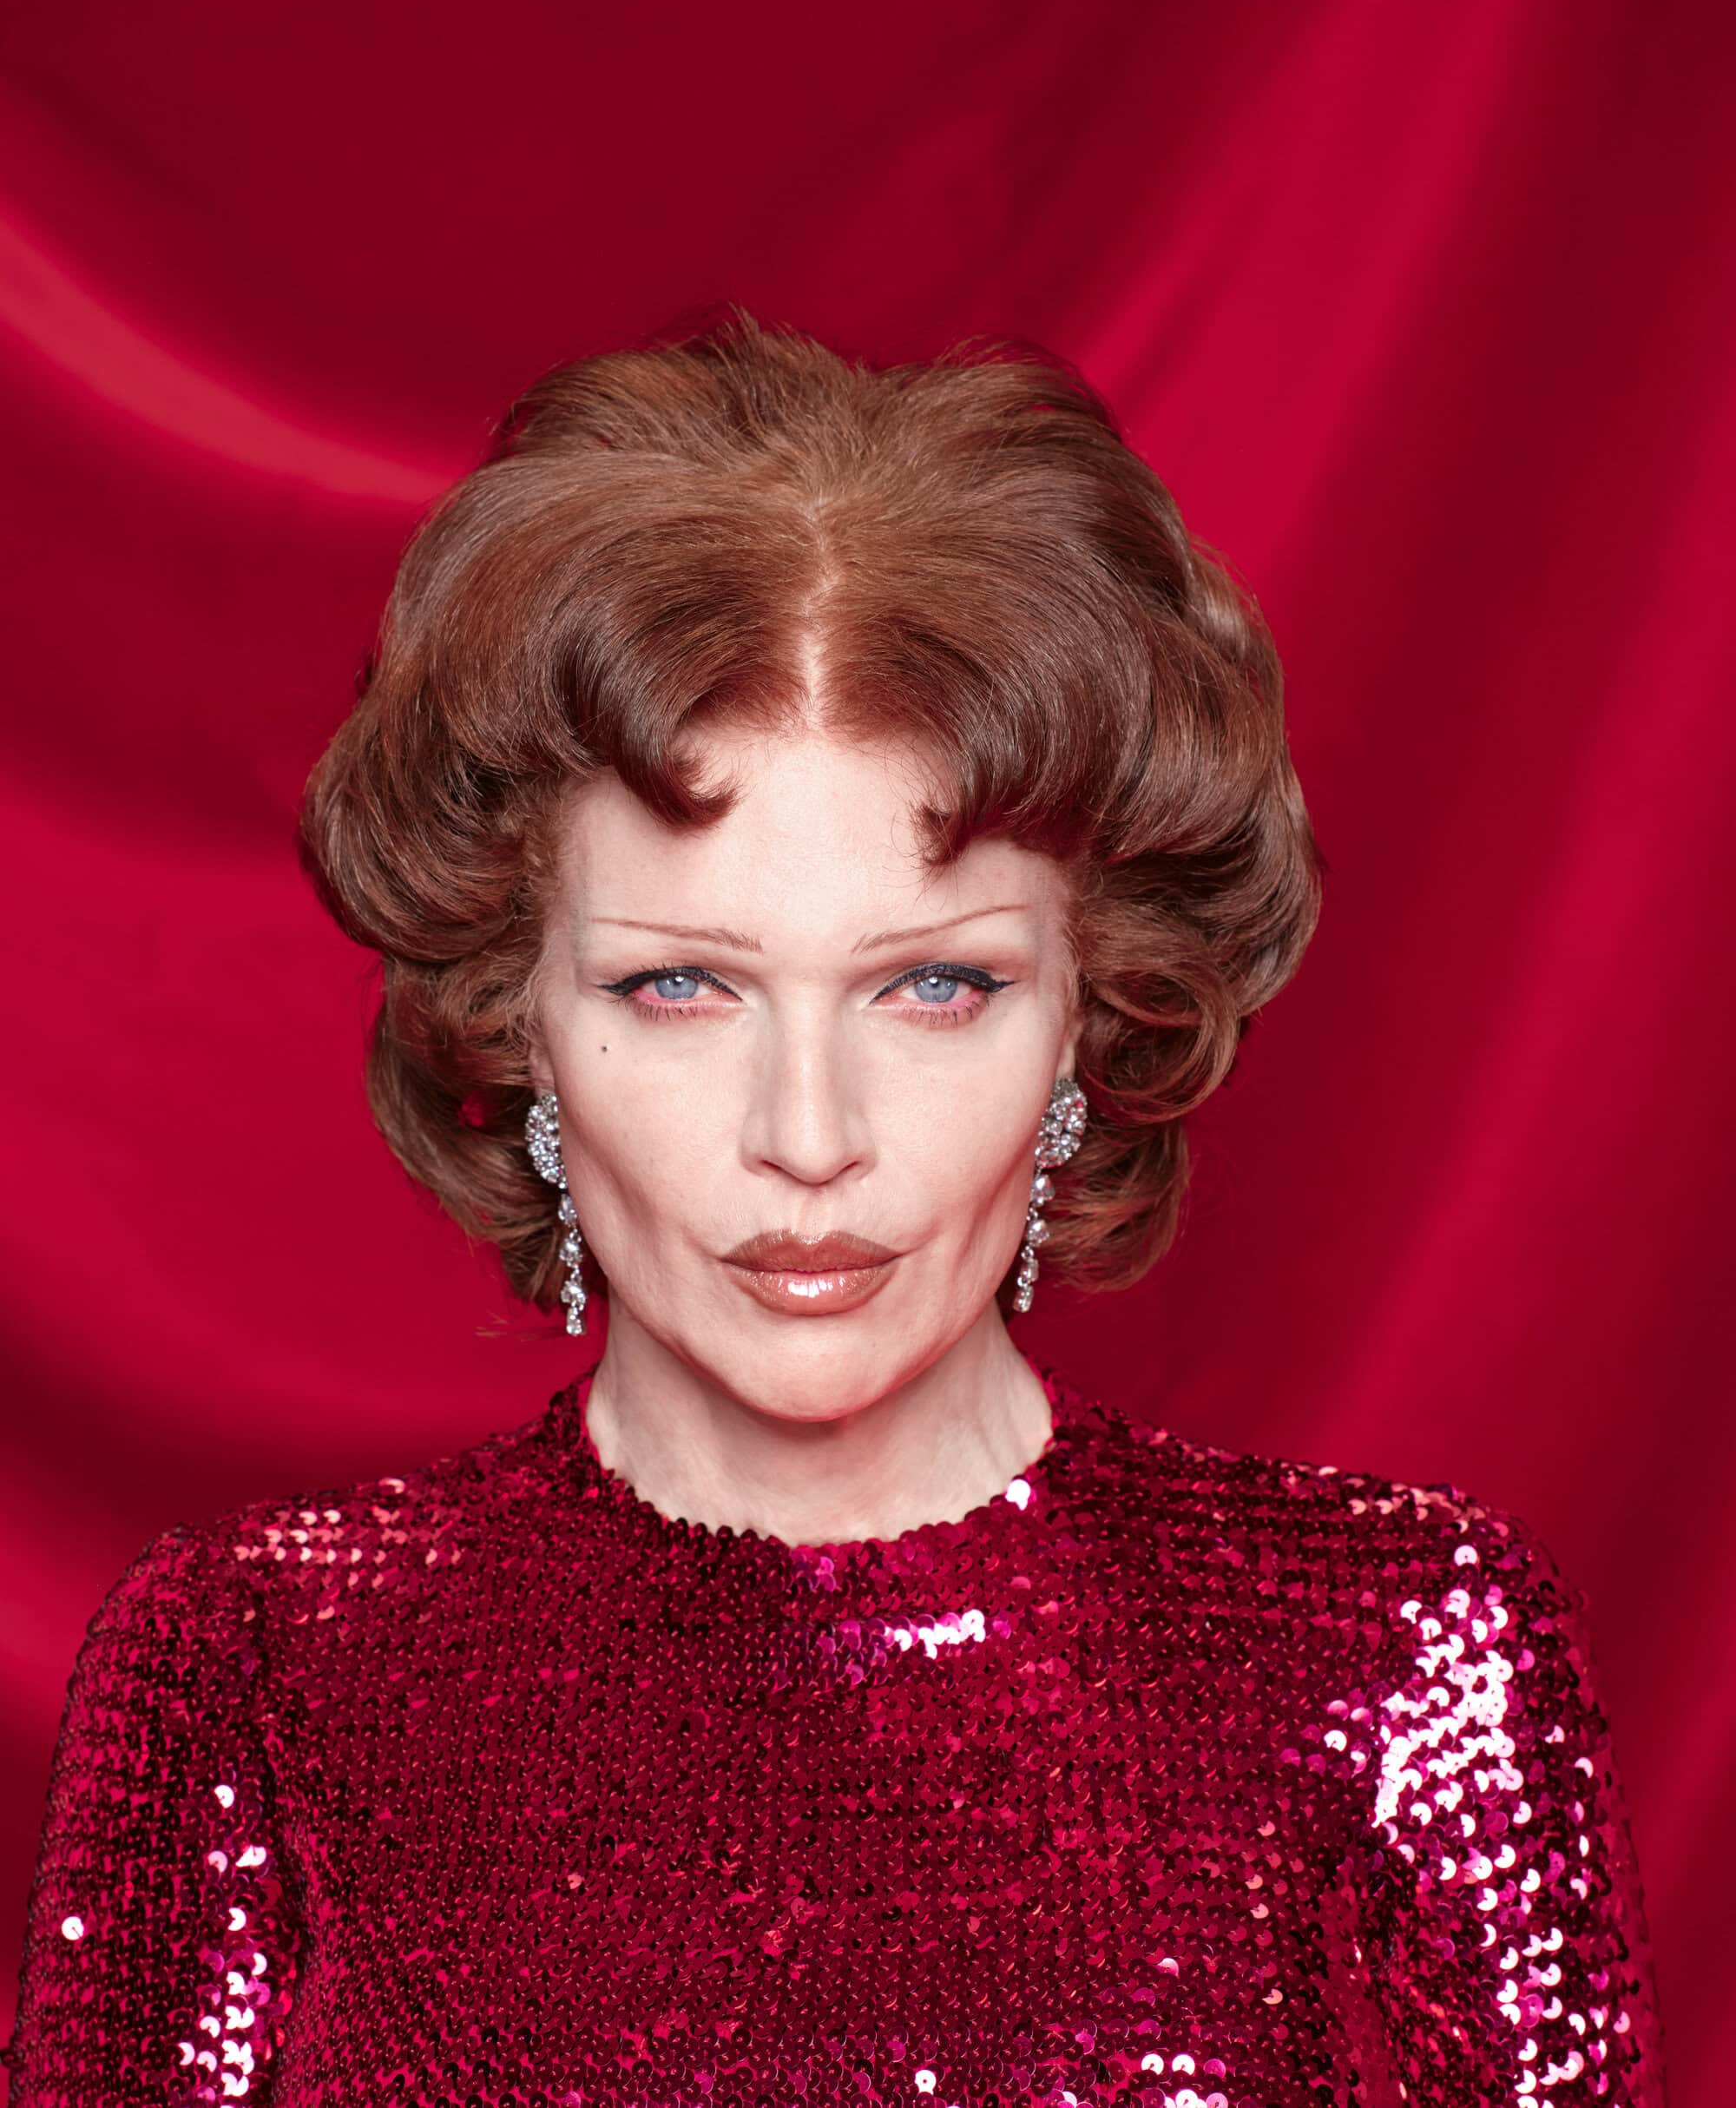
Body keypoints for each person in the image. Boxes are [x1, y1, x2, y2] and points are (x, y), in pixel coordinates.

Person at [4, 313, 1665, 2107]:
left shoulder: (1410, 1649)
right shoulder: (249, 1669)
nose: (810, 1136)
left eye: (936, 985)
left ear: (1095, 1012)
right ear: (513, 1011)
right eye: (679, 986)